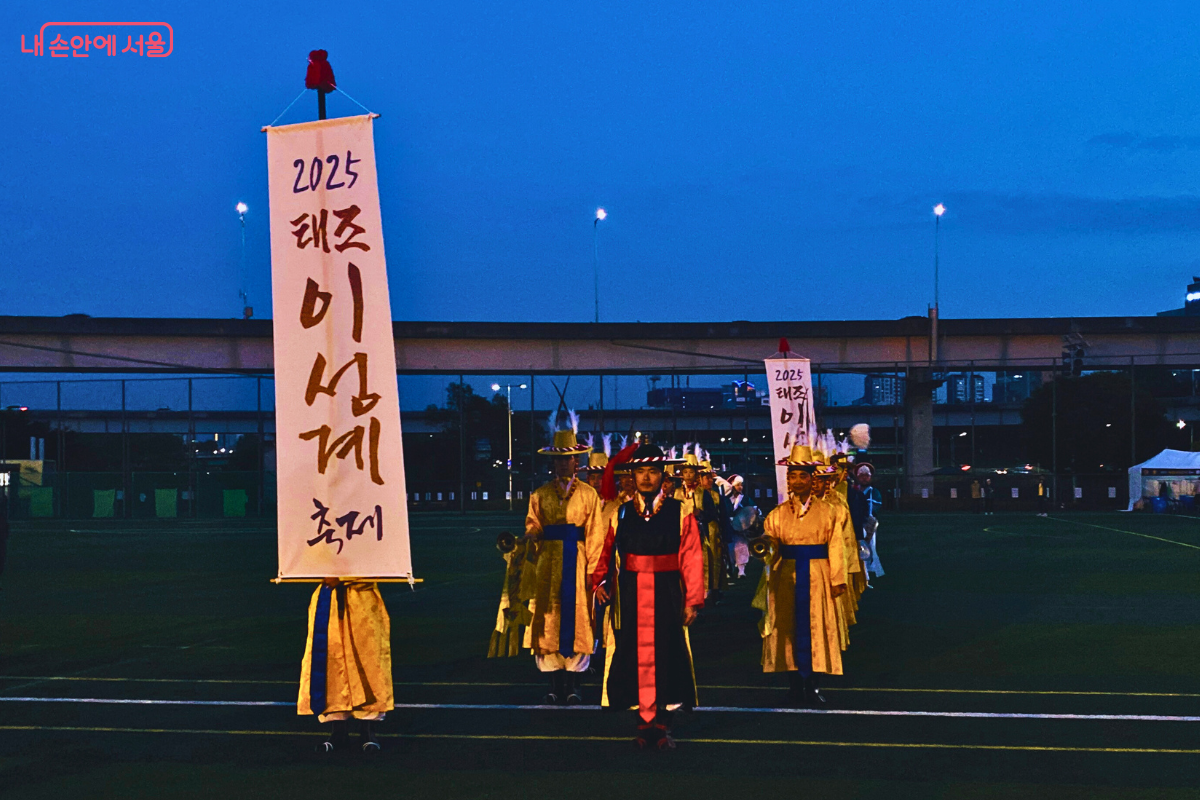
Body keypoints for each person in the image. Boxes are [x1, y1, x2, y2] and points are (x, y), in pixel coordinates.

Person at [593, 443, 703, 750]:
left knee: (667, 653)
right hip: (630, 593)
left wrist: (693, 599)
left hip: (668, 591)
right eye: (640, 471)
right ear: (633, 475)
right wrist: (599, 582)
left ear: (662, 475)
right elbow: (606, 553)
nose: (646, 478)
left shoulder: (680, 511)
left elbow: (692, 556)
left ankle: (664, 725)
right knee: (633, 654)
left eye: (652, 471)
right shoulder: (621, 512)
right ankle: (642, 724)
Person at [515, 412, 604, 704]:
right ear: (552, 462)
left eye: (567, 460)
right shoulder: (539, 494)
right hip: (548, 563)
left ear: (576, 461)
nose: (563, 464)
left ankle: (575, 684)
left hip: (577, 563)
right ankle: (554, 684)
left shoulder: (589, 494)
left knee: (578, 617)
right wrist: (529, 538)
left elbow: (594, 534)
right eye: (558, 460)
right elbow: (533, 525)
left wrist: (594, 571)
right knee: (548, 617)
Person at [755, 444, 846, 708]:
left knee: (817, 630)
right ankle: (794, 686)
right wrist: (765, 546)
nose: (796, 481)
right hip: (787, 577)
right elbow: (770, 545)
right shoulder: (777, 514)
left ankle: (813, 685)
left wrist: (837, 579)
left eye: (802, 476)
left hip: (818, 576)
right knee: (788, 630)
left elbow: (836, 546)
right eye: (792, 476)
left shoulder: (829, 512)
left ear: (812, 478)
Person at [299, 578, 393, 755]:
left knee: (367, 663)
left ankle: (368, 732)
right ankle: (338, 731)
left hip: (362, 598)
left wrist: (342, 578)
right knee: (331, 662)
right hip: (329, 598)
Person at [722, 475, 755, 579]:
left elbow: (753, 508)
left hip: (741, 527)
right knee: (729, 549)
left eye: (741, 485)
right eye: (738, 485)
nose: (740, 487)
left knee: (741, 548)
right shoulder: (725, 499)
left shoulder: (745, 498)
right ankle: (729, 569)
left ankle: (741, 571)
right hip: (728, 527)